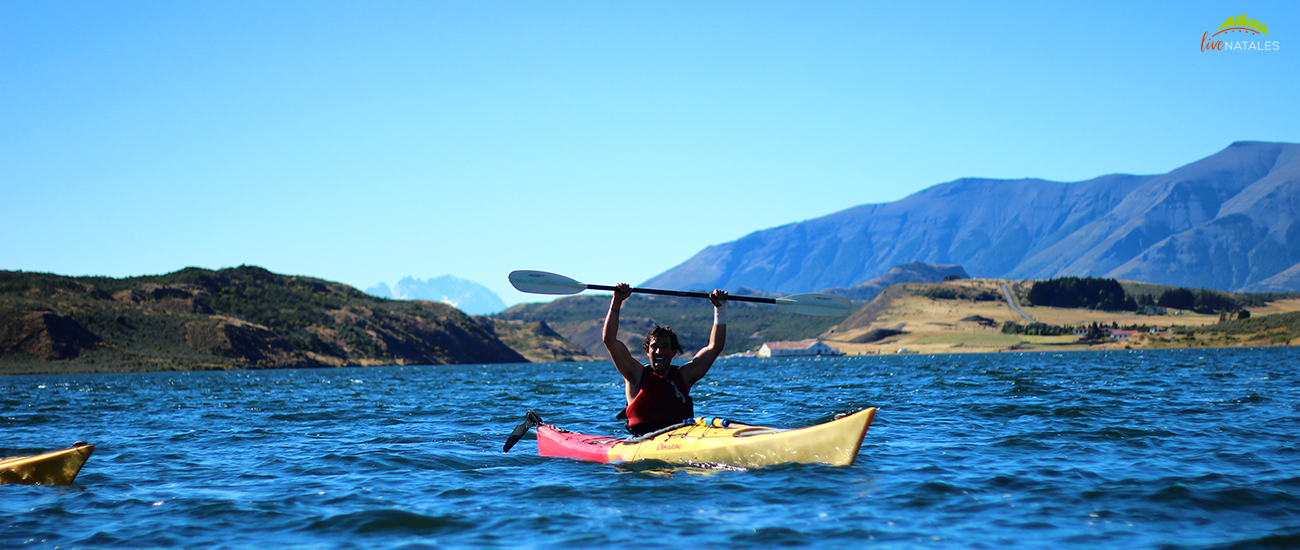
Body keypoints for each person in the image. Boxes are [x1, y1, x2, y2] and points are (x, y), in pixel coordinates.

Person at [603, 282, 728, 435]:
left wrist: (719, 308)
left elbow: (715, 346)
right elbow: (610, 340)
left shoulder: (684, 377)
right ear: (647, 352)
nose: (659, 351)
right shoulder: (634, 374)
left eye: (665, 347)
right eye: (654, 347)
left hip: (678, 439)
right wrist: (617, 301)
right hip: (643, 440)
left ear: (674, 352)